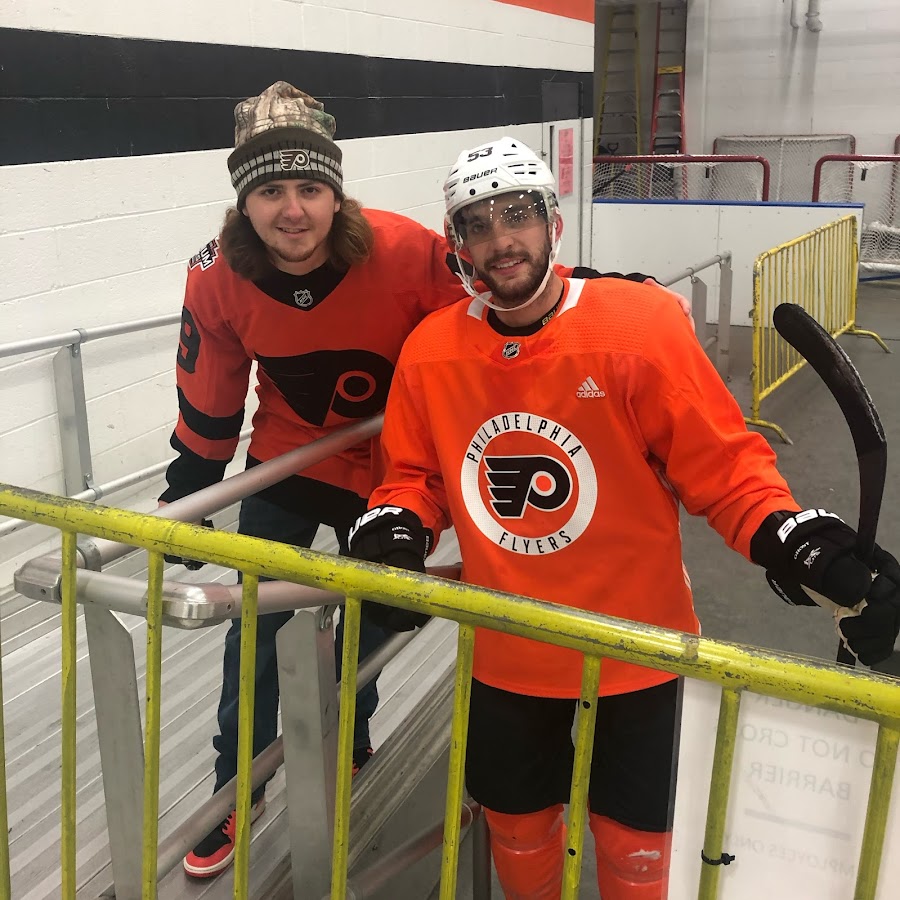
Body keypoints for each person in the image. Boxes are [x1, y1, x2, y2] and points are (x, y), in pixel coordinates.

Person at [348, 137, 900, 899]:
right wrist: (396, 524)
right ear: (456, 246)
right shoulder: (432, 351)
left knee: (638, 844)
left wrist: (792, 537)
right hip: (512, 647)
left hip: (639, 644)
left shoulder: (635, 325)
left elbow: (725, 466)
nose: (501, 239)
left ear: (553, 224)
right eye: (477, 223)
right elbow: (415, 475)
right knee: (515, 826)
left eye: (518, 214)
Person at [161, 83, 689, 879]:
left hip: (394, 471)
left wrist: (603, 290)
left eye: (310, 188)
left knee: (375, 612)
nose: (293, 210)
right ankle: (240, 782)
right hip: (287, 459)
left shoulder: (405, 249)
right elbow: (208, 389)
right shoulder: (215, 276)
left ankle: (353, 728)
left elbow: (508, 295)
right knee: (256, 629)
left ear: (337, 195)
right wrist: (188, 492)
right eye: (270, 191)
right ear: (243, 204)